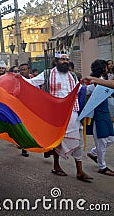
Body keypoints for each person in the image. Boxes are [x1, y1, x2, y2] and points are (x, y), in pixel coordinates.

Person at [26, 52, 93, 182]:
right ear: (56, 61)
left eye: (67, 60)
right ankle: (57, 166)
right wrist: (18, 79)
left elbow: (78, 91)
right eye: (62, 60)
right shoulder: (47, 74)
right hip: (55, 113)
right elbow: (32, 83)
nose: (65, 62)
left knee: (77, 140)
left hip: (72, 112)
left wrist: (91, 86)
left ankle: (80, 170)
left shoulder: (72, 75)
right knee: (58, 140)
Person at [83, 60, 114, 176]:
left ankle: (94, 152)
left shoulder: (103, 81)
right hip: (98, 114)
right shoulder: (92, 84)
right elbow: (85, 93)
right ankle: (102, 166)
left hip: (105, 113)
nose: (108, 67)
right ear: (102, 68)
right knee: (101, 140)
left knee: (111, 138)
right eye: (106, 66)